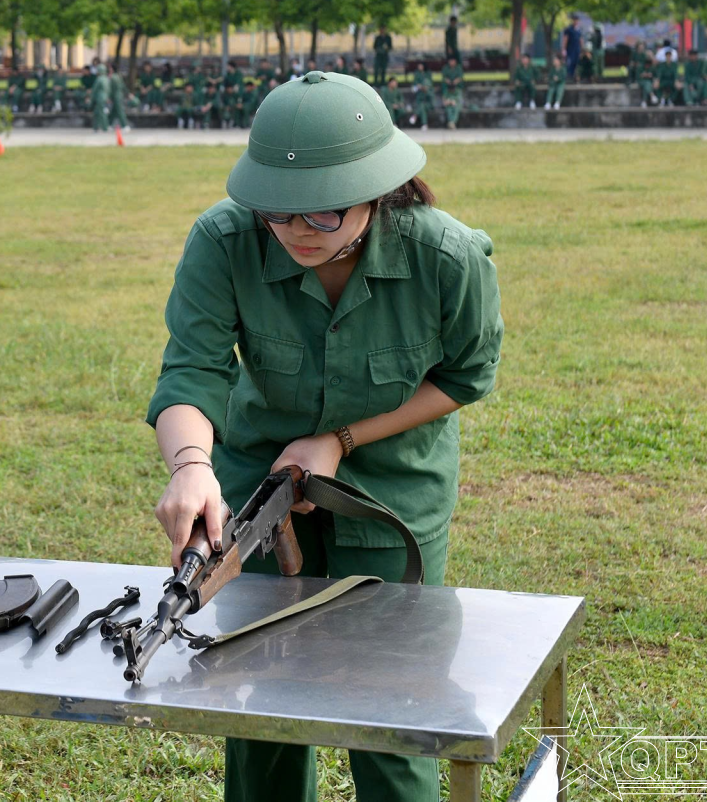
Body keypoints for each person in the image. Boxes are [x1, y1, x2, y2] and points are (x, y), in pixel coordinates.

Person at [147, 68, 502, 802]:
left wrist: (340, 439)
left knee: (393, 712)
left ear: (377, 190)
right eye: (277, 211)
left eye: (323, 212)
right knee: (259, 705)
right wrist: (191, 466)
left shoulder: (447, 256)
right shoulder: (224, 240)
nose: (297, 231)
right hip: (259, 482)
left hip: (392, 489)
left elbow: (468, 374)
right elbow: (192, 369)